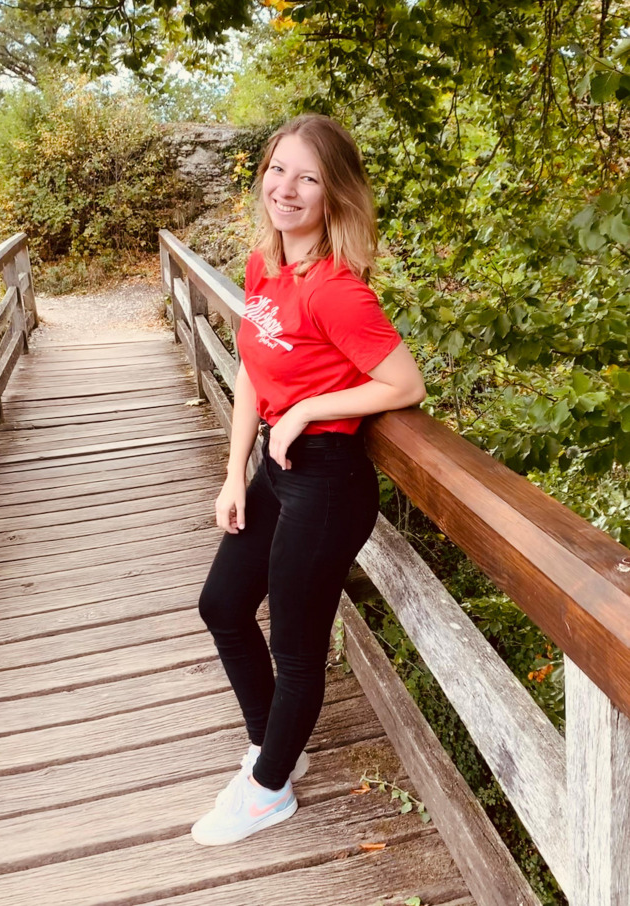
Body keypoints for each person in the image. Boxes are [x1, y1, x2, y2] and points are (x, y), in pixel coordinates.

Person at [191, 114, 426, 847]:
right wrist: (234, 473)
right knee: (222, 605)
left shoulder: (336, 290)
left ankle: (267, 790)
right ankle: (275, 749)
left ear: (335, 194)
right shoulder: (264, 265)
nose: (286, 189)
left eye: (308, 178)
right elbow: (254, 372)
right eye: (278, 170)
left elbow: (405, 383)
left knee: (295, 647)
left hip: (328, 483)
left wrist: (308, 410)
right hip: (275, 467)